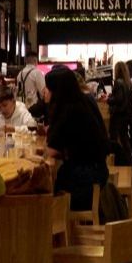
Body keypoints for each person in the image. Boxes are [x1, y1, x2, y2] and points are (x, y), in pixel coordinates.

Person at [45, 66, 111, 214]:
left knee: (50, 188)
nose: (45, 91)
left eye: (48, 88)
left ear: (57, 91)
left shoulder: (68, 109)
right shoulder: (82, 102)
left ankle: (57, 230)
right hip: (98, 171)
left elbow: (52, 150)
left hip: (85, 177)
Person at [107, 78, 132, 168]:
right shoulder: (130, 83)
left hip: (119, 115)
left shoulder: (119, 83)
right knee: (127, 139)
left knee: (119, 139)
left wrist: (109, 99)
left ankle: (122, 162)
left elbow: (119, 98)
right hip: (127, 114)